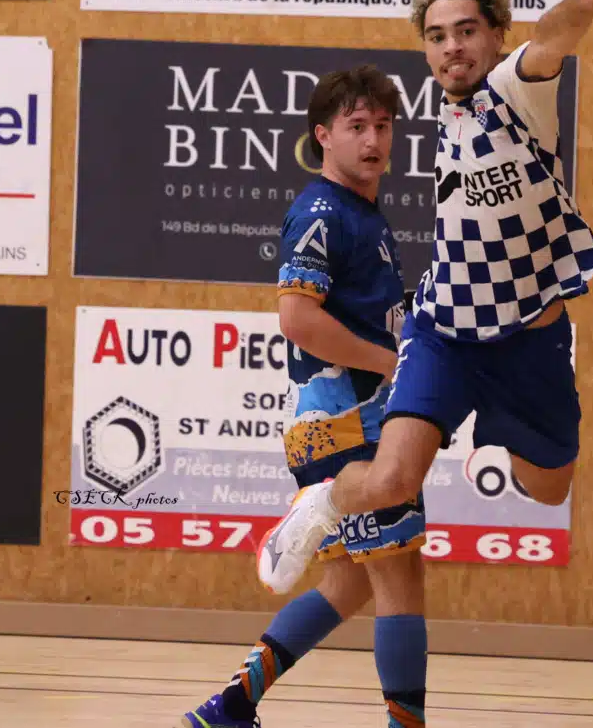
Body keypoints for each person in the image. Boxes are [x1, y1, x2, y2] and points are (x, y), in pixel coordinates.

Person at [255, 0, 593, 595]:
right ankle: (320, 502)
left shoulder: (516, 89)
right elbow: (448, 0)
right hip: (444, 332)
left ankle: (497, 424)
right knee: (390, 479)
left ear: (498, 36)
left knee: (548, 488)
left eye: (467, 32)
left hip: (529, 338)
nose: (451, 47)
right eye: (437, 38)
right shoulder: (449, 98)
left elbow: (553, 34)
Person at [183, 66, 430, 728]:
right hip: (351, 424)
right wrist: (393, 363)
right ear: (322, 135)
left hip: (340, 422)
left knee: (349, 582)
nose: (372, 140)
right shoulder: (324, 211)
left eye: (383, 126)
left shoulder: (362, 213)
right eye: (356, 126)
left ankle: (230, 705)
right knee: (400, 576)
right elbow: (297, 318)